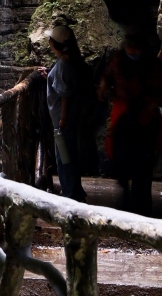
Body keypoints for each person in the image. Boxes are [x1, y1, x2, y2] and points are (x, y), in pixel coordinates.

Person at [98, 30, 162, 215]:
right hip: (124, 119)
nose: (132, 50)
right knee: (121, 161)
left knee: (143, 168)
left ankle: (141, 209)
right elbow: (108, 77)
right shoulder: (119, 60)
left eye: (136, 46)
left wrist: (151, 103)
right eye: (129, 45)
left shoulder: (153, 65)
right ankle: (127, 199)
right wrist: (103, 86)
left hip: (145, 120)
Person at [44, 25, 87, 201]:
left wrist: (62, 119)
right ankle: (76, 192)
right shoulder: (69, 60)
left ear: (54, 43)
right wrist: (47, 74)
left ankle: (69, 195)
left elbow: (65, 95)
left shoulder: (63, 64)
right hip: (70, 118)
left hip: (63, 120)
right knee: (70, 155)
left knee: (64, 158)